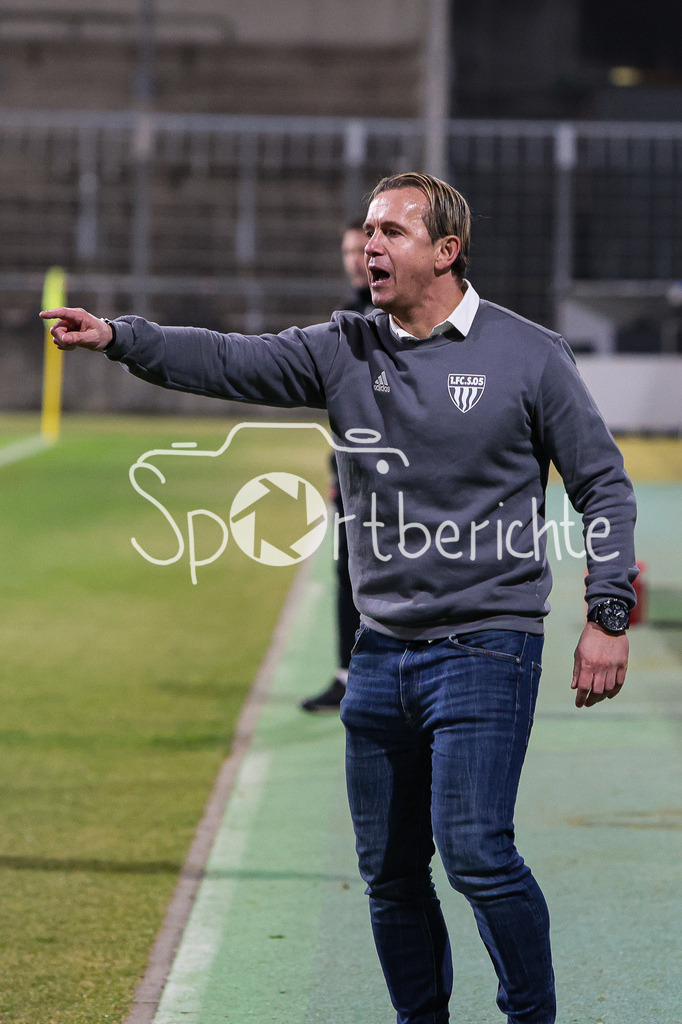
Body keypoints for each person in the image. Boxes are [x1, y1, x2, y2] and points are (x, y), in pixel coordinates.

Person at [41, 172, 637, 1024]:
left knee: (475, 853)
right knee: (391, 874)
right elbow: (229, 360)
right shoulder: (344, 346)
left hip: (487, 644)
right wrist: (118, 338)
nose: (370, 245)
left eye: (392, 231)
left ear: (445, 250)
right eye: (367, 230)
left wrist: (607, 614)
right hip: (380, 651)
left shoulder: (529, 354)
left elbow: (604, 489)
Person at [299, 220, 371, 713]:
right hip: (354, 473)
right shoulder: (348, 316)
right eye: (347, 250)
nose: (354, 259)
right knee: (349, 572)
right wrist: (336, 467)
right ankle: (349, 675)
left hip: (393, 477)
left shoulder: (393, 317)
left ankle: (371, 676)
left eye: (360, 249)